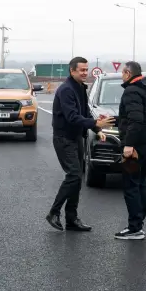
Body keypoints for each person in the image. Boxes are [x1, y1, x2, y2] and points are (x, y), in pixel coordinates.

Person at [45, 57, 114, 231]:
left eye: (86, 69)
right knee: (74, 175)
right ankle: (54, 212)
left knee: (77, 179)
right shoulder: (66, 90)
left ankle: (71, 218)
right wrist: (96, 125)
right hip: (64, 138)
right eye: (81, 70)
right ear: (72, 70)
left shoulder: (81, 88)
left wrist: (97, 130)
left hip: (76, 137)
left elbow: (85, 113)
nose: (85, 73)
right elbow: (72, 117)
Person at [115, 61, 146, 240]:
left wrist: (128, 145)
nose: (121, 76)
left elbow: (136, 120)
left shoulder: (132, 90)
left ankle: (134, 228)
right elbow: (137, 116)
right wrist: (114, 119)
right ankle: (138, 223)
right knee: (140, 183)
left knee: (131, 185)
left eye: (122, 72)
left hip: (137, 147)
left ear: (127, 72)